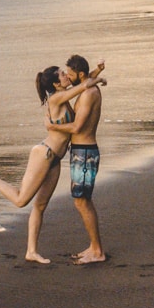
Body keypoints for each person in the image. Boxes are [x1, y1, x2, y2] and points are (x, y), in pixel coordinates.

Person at [0, 60, 104, 264]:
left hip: (55, 159)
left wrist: (96, 71)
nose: (66, 75)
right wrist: (98, 78)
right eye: (62, 74)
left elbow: (82, 79)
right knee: (21, 200)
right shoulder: (57, 99)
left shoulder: (63, 95)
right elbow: (83, 84)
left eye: (67, 73)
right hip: (44, 154)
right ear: (56, 84)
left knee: (40, 205)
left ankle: (31, 251)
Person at [54, 54, 107, 264]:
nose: (67, 76)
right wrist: (99, 70)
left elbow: (77, 127)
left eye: (70, 74)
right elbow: (88, 78)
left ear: (81, 75)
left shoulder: (88, 94)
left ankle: (98, 252)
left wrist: (52, 126)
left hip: (85, 154)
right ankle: (94, 247)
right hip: (81, 152)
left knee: (82, 201)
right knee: (82, 200)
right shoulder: (86, 85)